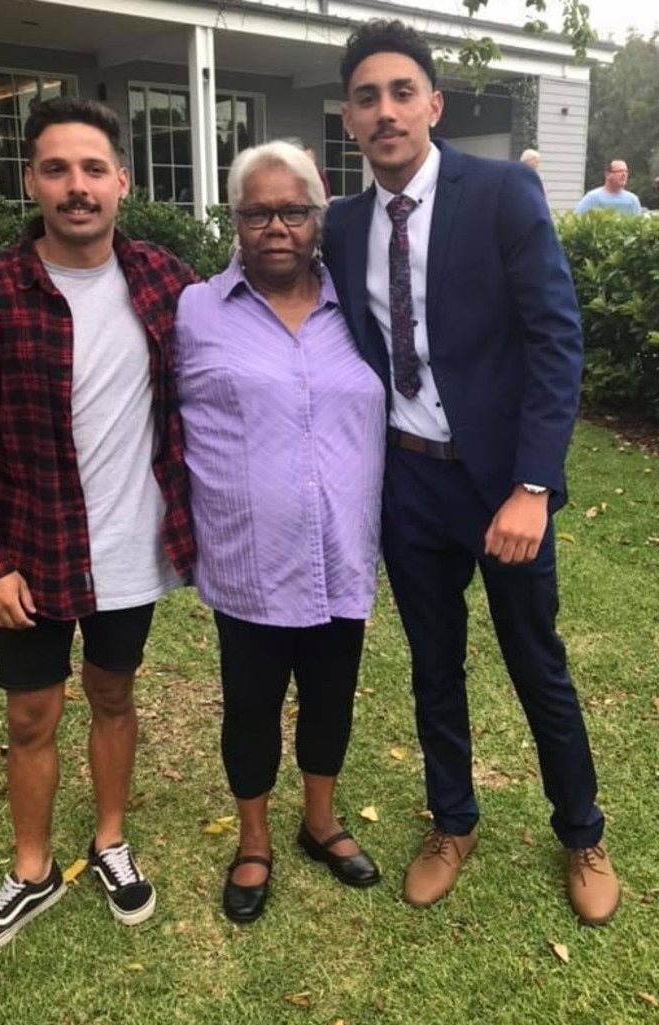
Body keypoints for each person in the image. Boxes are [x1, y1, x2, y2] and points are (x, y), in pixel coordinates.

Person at [322, 19, 620, 926]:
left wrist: (533, 485)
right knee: (433, 662)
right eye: (367, 97)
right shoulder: (341, 225)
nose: (386, 111)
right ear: (348, 119)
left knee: (537, 661)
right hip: (408, 484)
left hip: (500, 484)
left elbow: (554, 336)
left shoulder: (501, 193)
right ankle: (452, 821)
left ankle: (581, 830)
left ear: (434, 105)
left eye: (401, 92)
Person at [0, 97, 196, 958]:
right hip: (32, 553)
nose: (76, 188)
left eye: (92, 170)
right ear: (31, 182)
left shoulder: (166, 281)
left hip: (132, 546)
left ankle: (110, 841)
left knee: (115, 694)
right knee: (32, 716)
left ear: (123, 180)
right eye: (57, 169)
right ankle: (33, 867)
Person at [174, 140, 385, 923]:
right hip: (249, 559)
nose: (275, 227)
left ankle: (320, 821)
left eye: (292, 211)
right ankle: (254, 838)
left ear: (316, 217)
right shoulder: (194, 310)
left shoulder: (358, 310)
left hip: (341, 551)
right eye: (256, 212)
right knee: (252, 707)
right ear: (234, 220)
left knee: (331, 698)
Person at [575, 159, 641, 215]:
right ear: (607, 174)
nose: (624, 175)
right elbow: (576, 219)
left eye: (626, 171)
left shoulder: (633, 200)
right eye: (620, 171)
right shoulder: (593, 198)